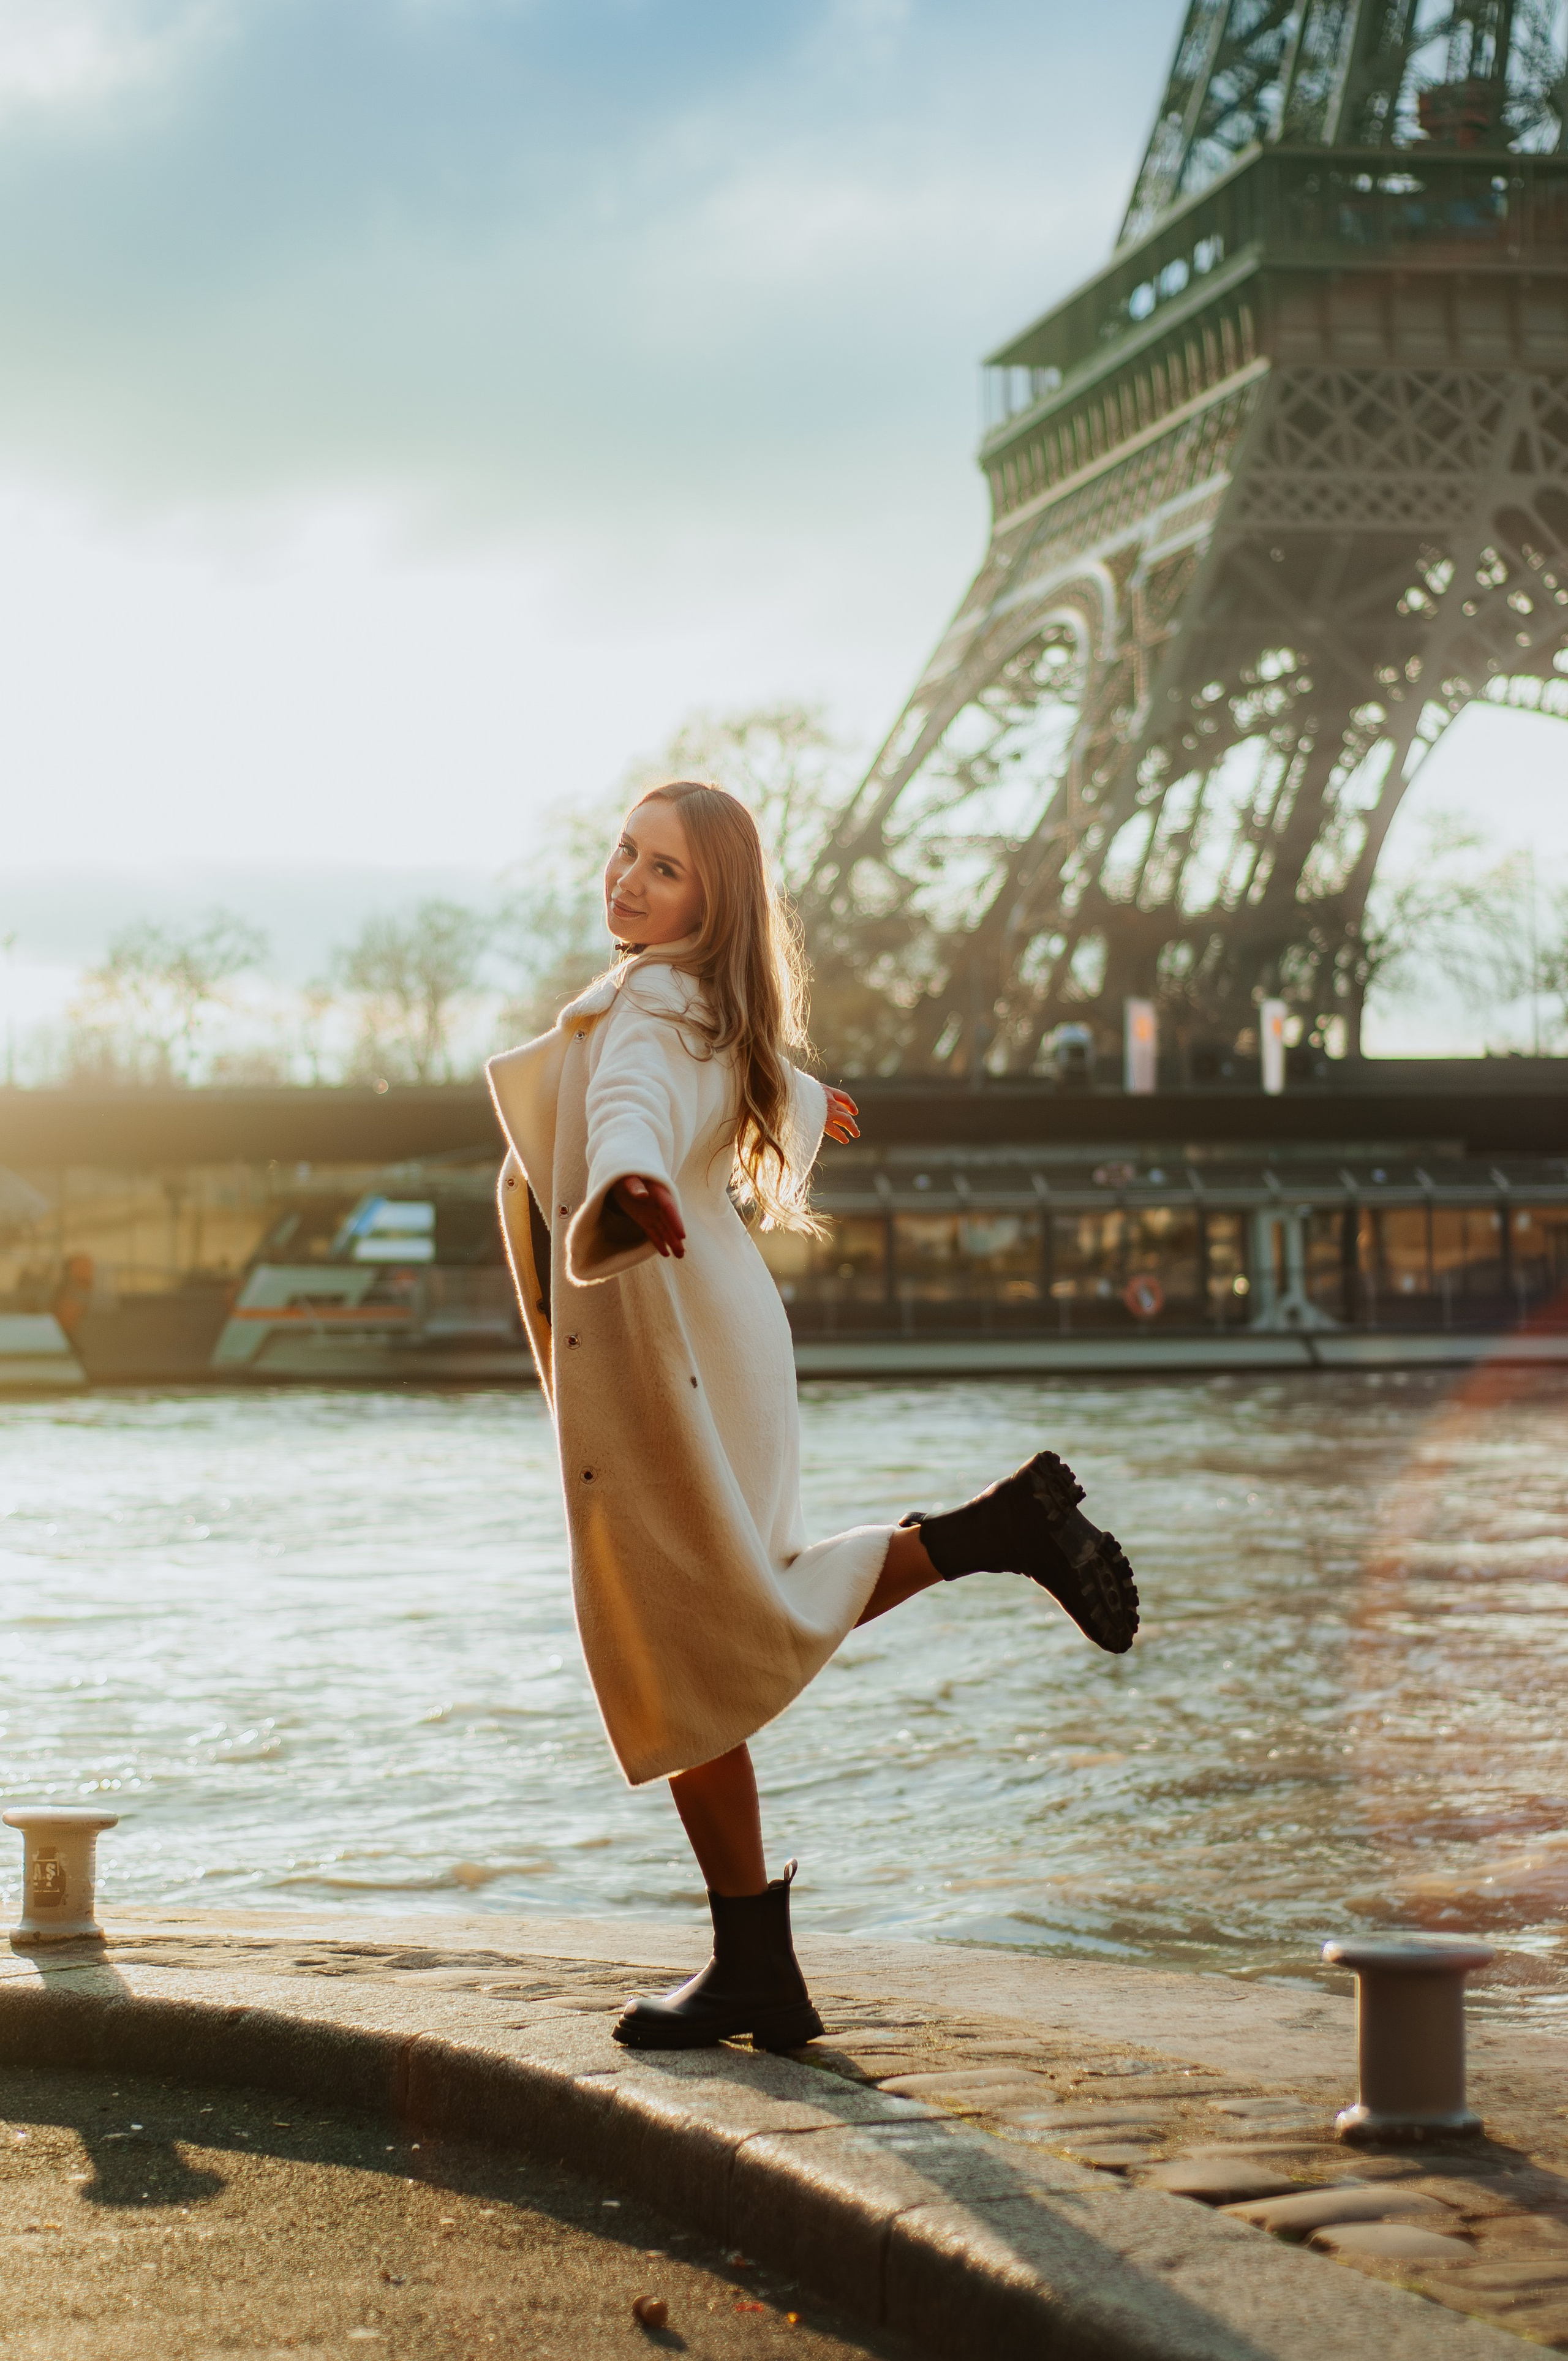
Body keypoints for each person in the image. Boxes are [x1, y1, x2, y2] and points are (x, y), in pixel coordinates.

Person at [486, 780, 1139, 2055]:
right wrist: (801, 1097)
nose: (625, 877)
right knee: (720, 1612)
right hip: (707, 1332)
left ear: (710, 899)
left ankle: (751, 1963)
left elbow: (630, 1108)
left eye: (662, 868)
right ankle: (989, 1532)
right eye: (624, 851)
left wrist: (624, 1182)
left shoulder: (639, 1008)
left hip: (663, 1349)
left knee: (678, 1642)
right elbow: (719, 1073)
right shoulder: (698, 1007)